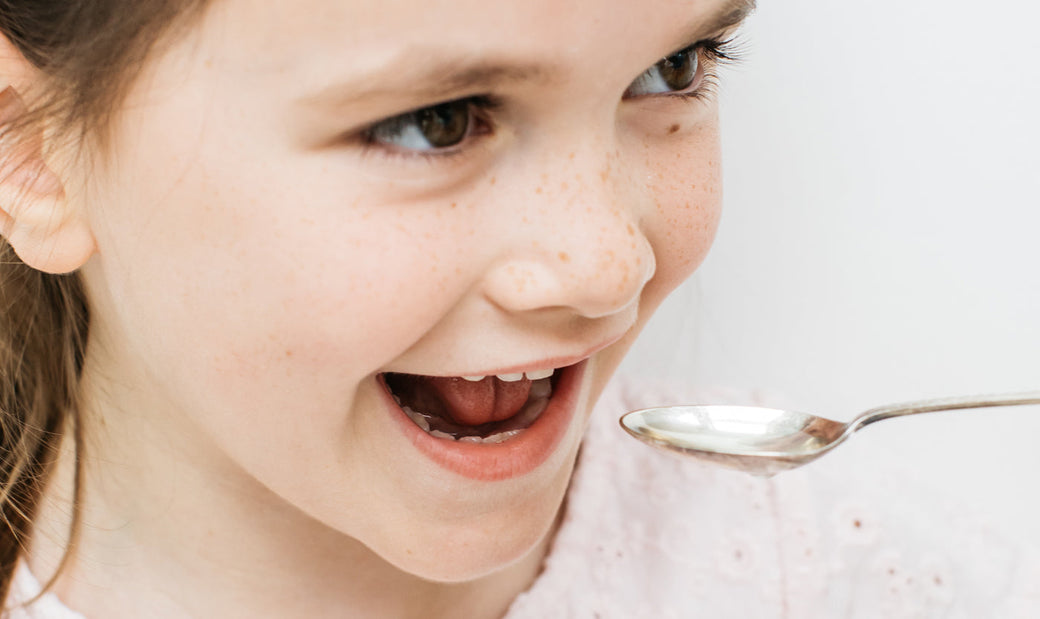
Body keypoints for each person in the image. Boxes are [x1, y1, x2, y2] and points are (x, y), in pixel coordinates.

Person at [1, 0, 1036, 617]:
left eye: (669, 70)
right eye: (434, 122)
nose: (605, 265)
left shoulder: (828, 575)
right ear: (33, 153)